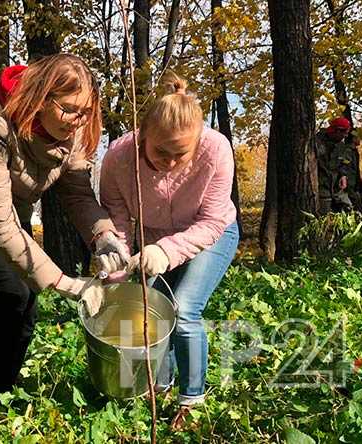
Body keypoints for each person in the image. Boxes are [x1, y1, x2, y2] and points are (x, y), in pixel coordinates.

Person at [0, 54, 127, 394]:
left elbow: (76, 194)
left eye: (86, 111)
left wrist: (102, 234)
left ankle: (6, 385)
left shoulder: (72, 131)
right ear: (41, 98)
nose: (78, 121)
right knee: (14, 293)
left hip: (9, 207)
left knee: (28, 296)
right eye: (68, 109)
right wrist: (66, 283)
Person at [98, 72, 239, 430]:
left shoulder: (216, 148)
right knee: (150, 312)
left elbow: (210, 222)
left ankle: (192, 400)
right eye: (161, 151)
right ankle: (157, 386)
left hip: (213, 233)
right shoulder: (119, 157)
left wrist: (166, 250)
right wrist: (117, 274)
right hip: (152, 241)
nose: (170, 162)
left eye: (181, 154)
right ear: (143, 134)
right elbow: (118, 221)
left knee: (184, 309)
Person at [315, 117, 352, 214]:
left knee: (348, 209)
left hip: (337, 188)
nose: (345, 136)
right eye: (344, 133)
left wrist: (343, 175)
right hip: (322, 189)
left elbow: (344, 162)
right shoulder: (317, 142)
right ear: (337, 131)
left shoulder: (341, 146)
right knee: (324, 216)